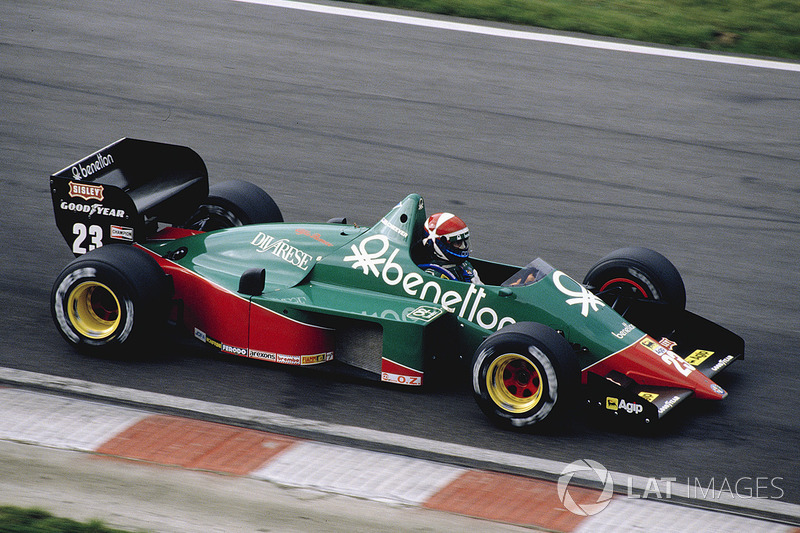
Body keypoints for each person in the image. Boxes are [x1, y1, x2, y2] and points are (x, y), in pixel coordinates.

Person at [418, 212, 482, 284]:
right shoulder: (433, 277)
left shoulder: (465, 266)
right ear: (439, 244)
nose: (463, 247)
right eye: (458, 243)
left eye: (464, 242)